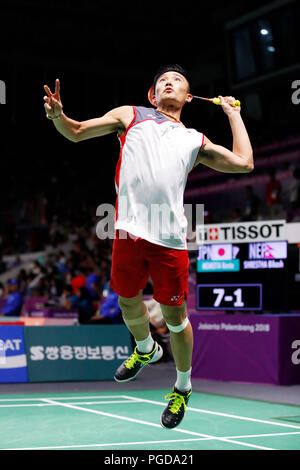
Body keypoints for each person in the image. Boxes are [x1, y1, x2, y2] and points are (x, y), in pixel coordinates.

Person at [43, 64, 253, 429]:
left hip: (170, 240)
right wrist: (59, 117)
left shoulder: (194, 139)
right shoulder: (131, 116)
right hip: (126, 231)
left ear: (188, 97)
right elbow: (75, 132)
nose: (168, 82)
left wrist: (233, 115)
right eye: (161, 81)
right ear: (152, 95)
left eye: (177, 81)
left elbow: (244, 162)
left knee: (175, 318)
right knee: (127, 300)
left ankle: (182, 387)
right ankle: (145, 349)